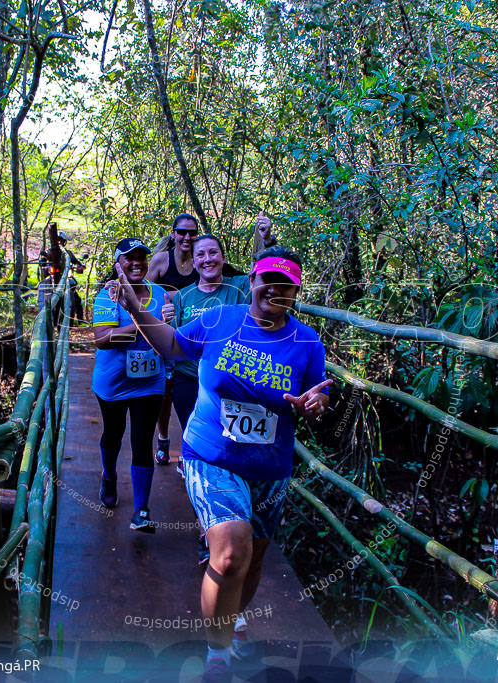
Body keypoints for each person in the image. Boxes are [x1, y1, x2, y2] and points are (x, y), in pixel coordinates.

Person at [114, 244, 331, 679]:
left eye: (285, 284)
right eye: (267, 279)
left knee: (251, 562)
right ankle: (217, 654)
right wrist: (138, 309)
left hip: (270, 467)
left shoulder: (307, 341)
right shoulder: (219, 320)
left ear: (295, 293)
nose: (274, 289)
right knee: (231, 553)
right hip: (210, 453)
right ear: (251, 281)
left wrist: (316, 403)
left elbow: (319, 393)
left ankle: (231, 621)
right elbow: (173, 346)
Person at [147, 213, 278, 467]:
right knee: (195, 437)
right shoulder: (183, 296)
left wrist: (267, 239)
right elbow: (175, 341)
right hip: (190, 380)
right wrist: (165, 320)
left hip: (230, 380)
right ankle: (197, 477)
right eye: (201, 255)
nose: (208, 259)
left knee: (230, 443)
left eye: (213, 253)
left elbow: (269, 271)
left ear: (223, 258)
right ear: (194, 263)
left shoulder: (240, 285)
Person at [91, 238, 168, 532]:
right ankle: (108, 476)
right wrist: (142, 320)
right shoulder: (107, 296)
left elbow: (170, 334)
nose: (136, 263)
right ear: (118, 265)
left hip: (150, 381)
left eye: (141, 257)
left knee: (142, 441)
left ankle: (141, 510)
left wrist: (168, 322)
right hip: (113, 381)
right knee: (113, 434)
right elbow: (102, 339)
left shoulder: (162, 295)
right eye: (129, 258)